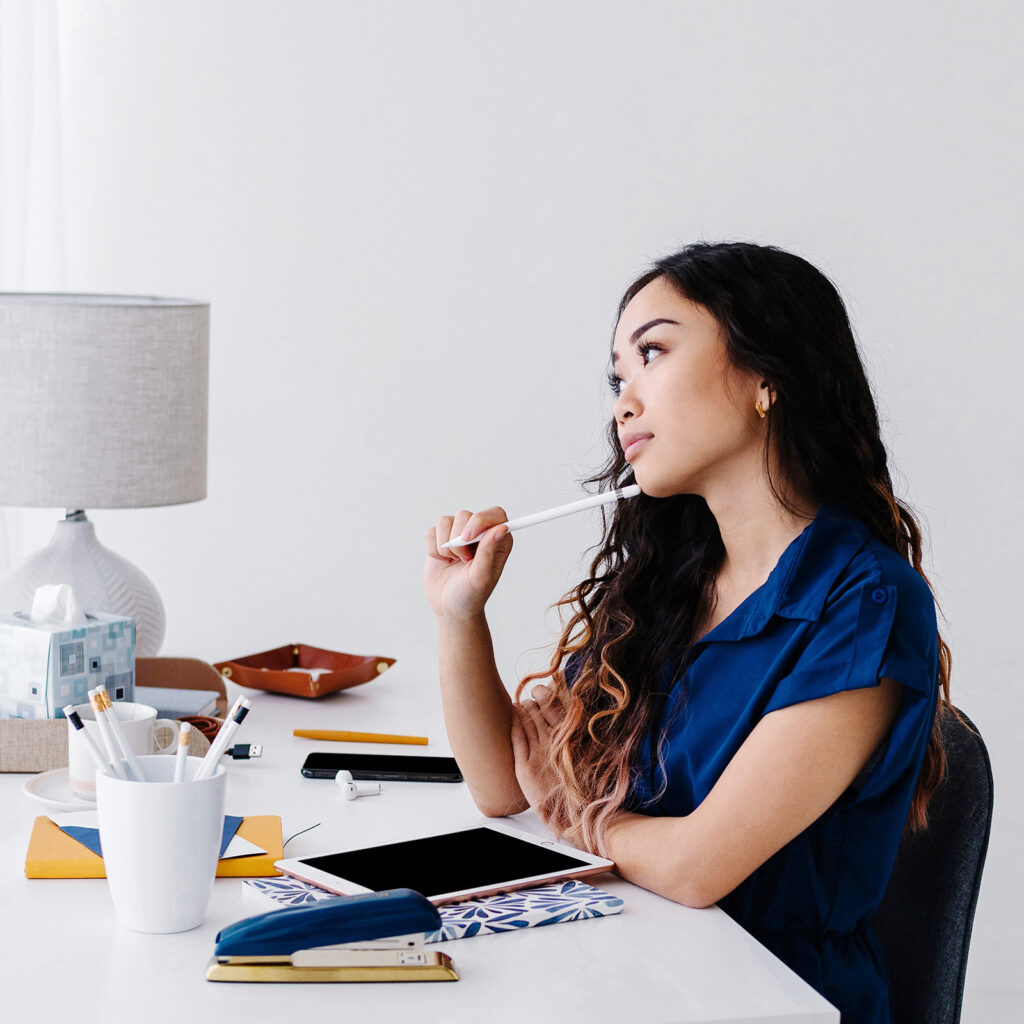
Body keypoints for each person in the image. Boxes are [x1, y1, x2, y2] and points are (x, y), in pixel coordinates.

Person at [423, 241, 951, 1023]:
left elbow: (699, 867)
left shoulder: (866, 600)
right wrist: (460, 617)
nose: (623, 403)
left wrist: (572, 810)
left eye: (654, 352)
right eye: (617, 377)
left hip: (768, 999)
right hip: (636, 969)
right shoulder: (671, 587)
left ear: (767, 376)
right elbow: (504, 784)